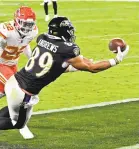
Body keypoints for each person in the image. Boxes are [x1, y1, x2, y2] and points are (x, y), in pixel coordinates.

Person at [0, 17, 129, 137]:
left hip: (14, 81)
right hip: (23, 93)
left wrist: (76, 67)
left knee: (14, 109)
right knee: (18, 123)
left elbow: (55, 65)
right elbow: (92, 68)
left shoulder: (43, 38)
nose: (71, 33)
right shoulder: (67, 49)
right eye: (68, 31)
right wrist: (116, 60)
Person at [0, 6, 39, 139]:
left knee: (4, 92)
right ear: (17, 21)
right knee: (18, 92)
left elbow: (25, 44)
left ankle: (17, 119)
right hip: (1, 63)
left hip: (12, 65)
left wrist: (33, 59)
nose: (27, 27)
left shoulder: (32, 31)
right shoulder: (6, 30)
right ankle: (20, 123)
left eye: (30, 24)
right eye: (25, 24)